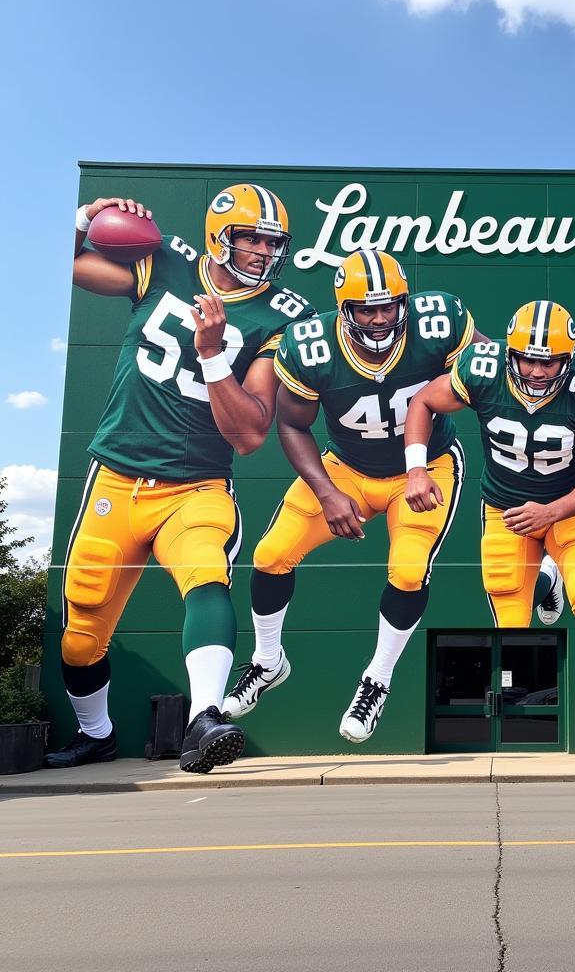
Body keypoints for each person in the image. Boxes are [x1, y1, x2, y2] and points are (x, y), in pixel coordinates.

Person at [47, 184, 314, 773]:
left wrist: (214, 353)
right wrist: (85, 216)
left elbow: (249, 435)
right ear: (222, 235)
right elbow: (72, 265)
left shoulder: (281, 317)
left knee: (207, 574)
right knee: (82, 625)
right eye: (253, 238)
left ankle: (204, 720)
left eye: (274, 242)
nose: (265, 252)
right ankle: (97, 731)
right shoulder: (161, 260)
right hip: (117, 474)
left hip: (197, 485)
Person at [223, 249, 493, 744]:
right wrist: (326, 493)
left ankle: (377, 680)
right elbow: (292, 423)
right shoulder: (310, 345)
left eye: (388, 306)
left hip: (426, 465)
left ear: (404, 302)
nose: (378, 318)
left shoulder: (439, 321)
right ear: (343, 308)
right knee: (270, 555)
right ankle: (267, 661)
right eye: (366, 309)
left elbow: (494, 371)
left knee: (408, 571)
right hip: (345, 468)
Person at [405, 300, 575, 762]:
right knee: (511, 622)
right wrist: (416, 468)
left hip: (567, 508)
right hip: (504, 509)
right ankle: (546, 584)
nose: (536, 369)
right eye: (527, 357)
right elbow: (424, 400)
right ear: (509, 352)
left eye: (548, 360)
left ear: (567, 359)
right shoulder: (482, 369)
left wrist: (550, 513)